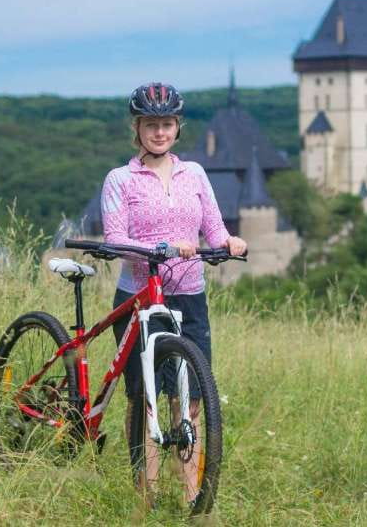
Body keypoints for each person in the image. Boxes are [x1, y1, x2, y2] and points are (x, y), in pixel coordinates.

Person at [100, 82, 247, 504]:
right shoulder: (120, 179)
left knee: (193, 399)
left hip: (189, 297)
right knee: (144, 399)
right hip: (142, 297)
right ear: (138, 128)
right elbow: (115, 239)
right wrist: (159, 249)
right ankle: (145, 498)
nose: (159, 132)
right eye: (151, 125)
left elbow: (213, 229)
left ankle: (190, 496)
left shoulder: (195, 174)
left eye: (166, 124)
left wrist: (229, 242)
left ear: (177, 128)